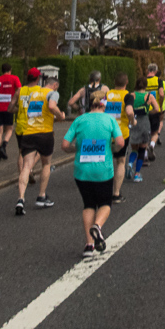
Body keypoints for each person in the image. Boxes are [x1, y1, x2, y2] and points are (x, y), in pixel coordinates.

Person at [62, 91, 123, 258]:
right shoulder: (110, 119)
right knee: (105, 203)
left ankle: (89, 245)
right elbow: (120, 142)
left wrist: (76, 149)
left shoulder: (79, 120)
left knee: (88, 204)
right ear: (104, 104)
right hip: (103, 170)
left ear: (89, 103)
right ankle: (97, 226)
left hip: (82, 171)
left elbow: (65, 144)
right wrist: (112, 150)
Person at [10, 69, 65, 215]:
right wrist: (61, 116)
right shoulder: (52, 93)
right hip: (45, 133)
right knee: (46, 164)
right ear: (54, 85)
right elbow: (52, 106)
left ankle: (20, 199)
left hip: (28, 132)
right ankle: (41, 196)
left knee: (26, 166)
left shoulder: (33, 94)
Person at [104, 72, 134, 203]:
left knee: (106, 161)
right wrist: (132, 121)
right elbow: (129, 111)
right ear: (126, 82)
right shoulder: (128, 96)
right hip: (121, 133)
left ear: (114, 82)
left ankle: (103, 191)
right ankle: (116, 194)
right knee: (121, 162)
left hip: (105, 132)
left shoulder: (107, 95)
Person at [128, 78, 160, 182]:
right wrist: (148, 112)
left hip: (133, 122)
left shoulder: (132, 95)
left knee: (134, 149)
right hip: (144, 123)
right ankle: (137, 174)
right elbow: (157, 109)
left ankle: (130, 163)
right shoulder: (149, 96)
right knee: (142, 149)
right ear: (145, 86)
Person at [0, 62, 21, 161]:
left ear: (2, 70)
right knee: (9, 129)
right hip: (9, 108)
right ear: (10, 70)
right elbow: (19, 90)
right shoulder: (14, 78)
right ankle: (4, 145)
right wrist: (15, 100)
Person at [145, 63, 164, 160]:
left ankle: (143, 154)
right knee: (155, 131)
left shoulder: (143, 81)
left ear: (147, 70)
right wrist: (160, 105)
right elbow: (161, 94)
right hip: (154, 110)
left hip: (144, 109)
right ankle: (152, 145)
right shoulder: (158, 81)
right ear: (155, 71)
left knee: (145, 132)